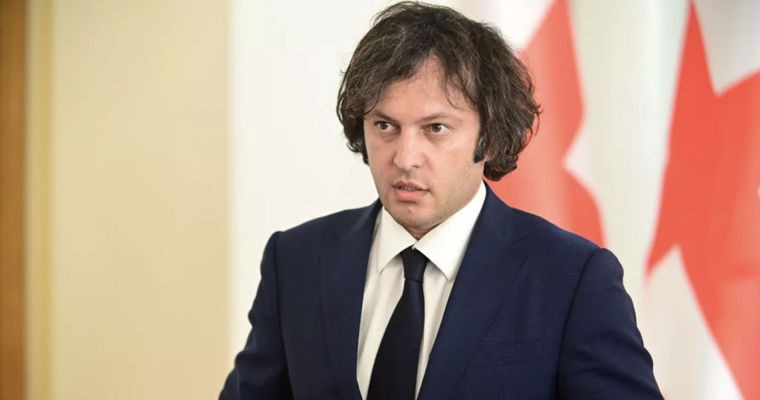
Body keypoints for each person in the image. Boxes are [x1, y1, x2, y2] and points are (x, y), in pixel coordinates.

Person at [220, 2, 662, 399]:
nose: (405, 157)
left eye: (436, 129)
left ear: (490, 137)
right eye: (385, 126)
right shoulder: (295, 259)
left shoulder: (572, 279)